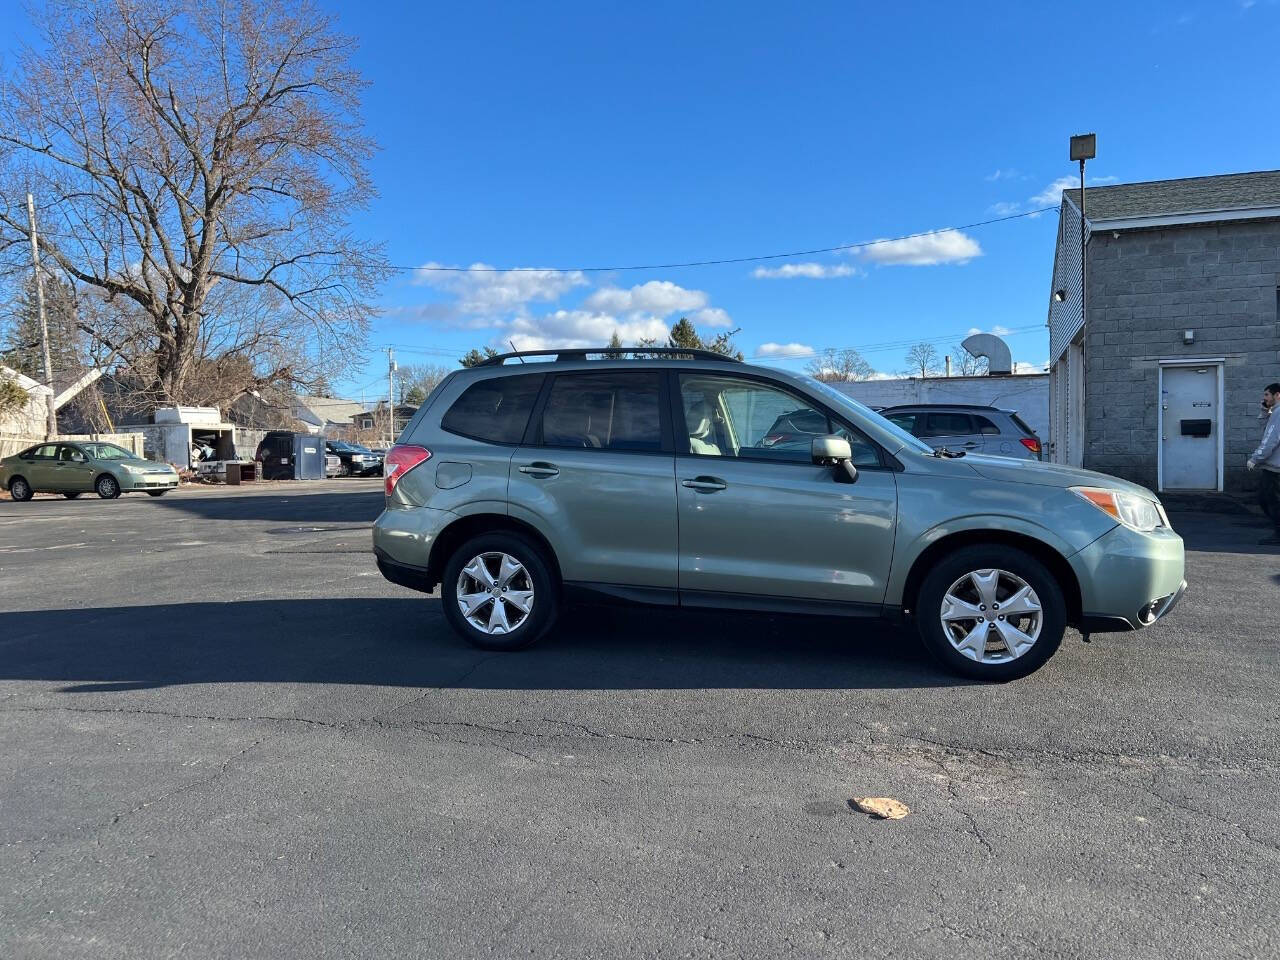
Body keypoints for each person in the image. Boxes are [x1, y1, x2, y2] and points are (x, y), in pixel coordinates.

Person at [1247, 381, 1280, 545]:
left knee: (1270, 500)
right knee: (1266, 499)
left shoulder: (1279, 413)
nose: (1264, 398)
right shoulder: (1275, 412)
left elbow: (1270, 440)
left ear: (1277, 395)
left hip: (1275, 468)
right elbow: (1264, 429)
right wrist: (1265, 410)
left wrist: (1255, 458)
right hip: (1273, 467)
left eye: (1267, 395)